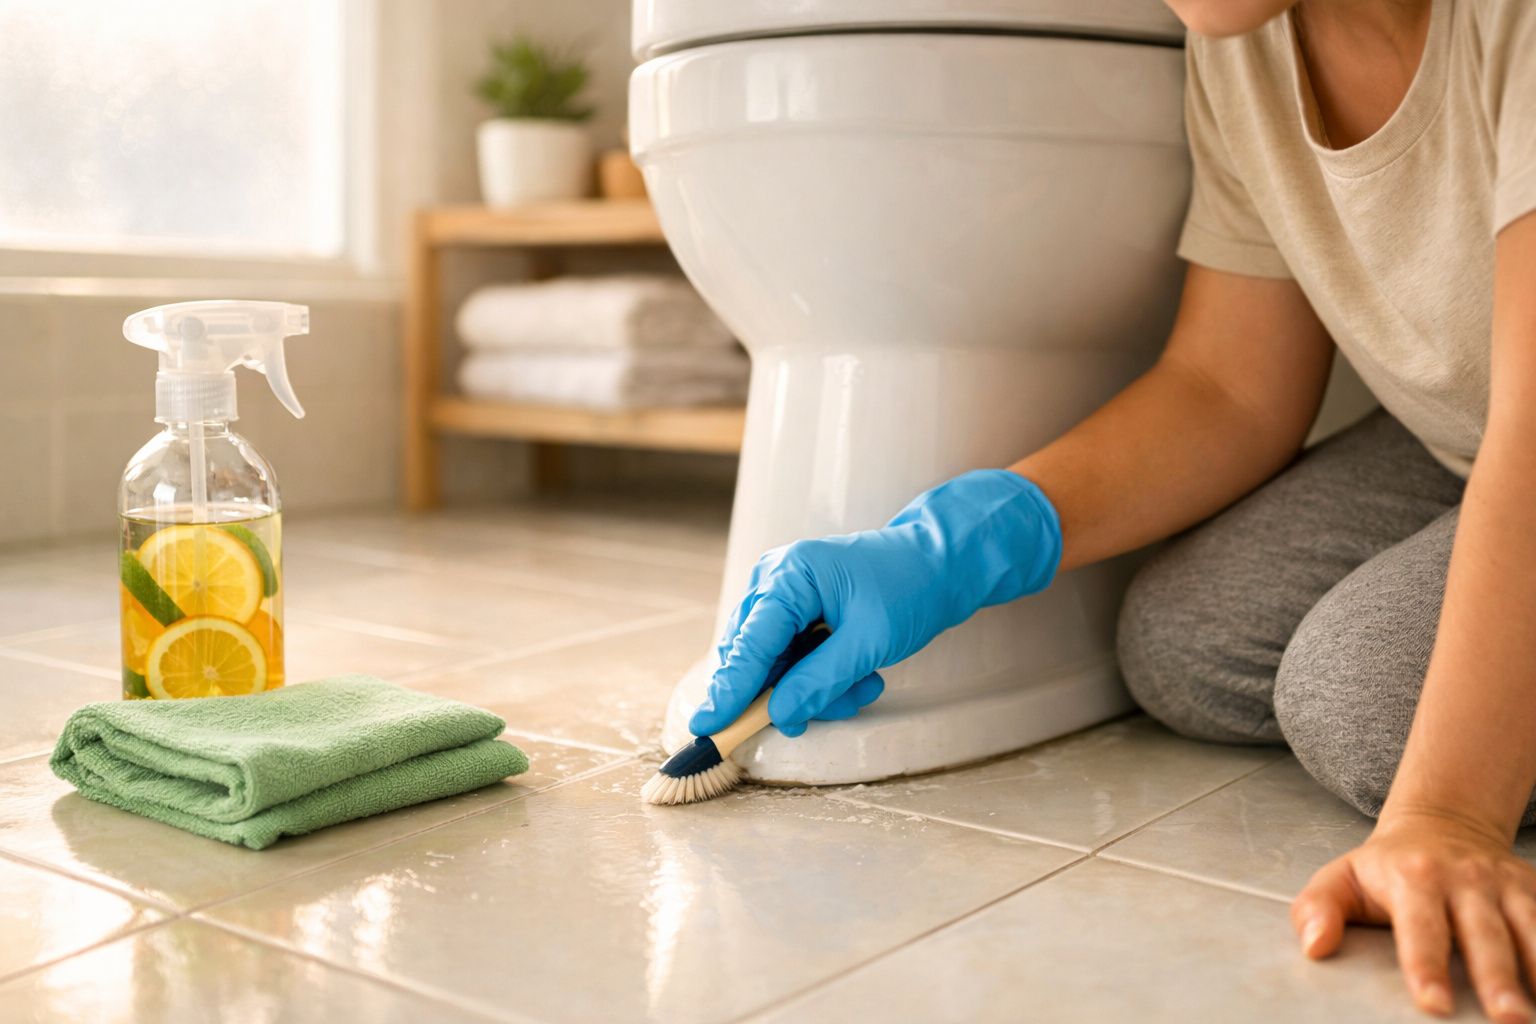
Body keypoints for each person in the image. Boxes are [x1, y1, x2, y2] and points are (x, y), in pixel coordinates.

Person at [686, 0, 1536, 1019]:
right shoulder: (1246, 47)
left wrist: (1449, 813)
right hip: (1471, 425)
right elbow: (1231, 388)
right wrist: (953, 545)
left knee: (1366, 704)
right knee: (1185, 641)